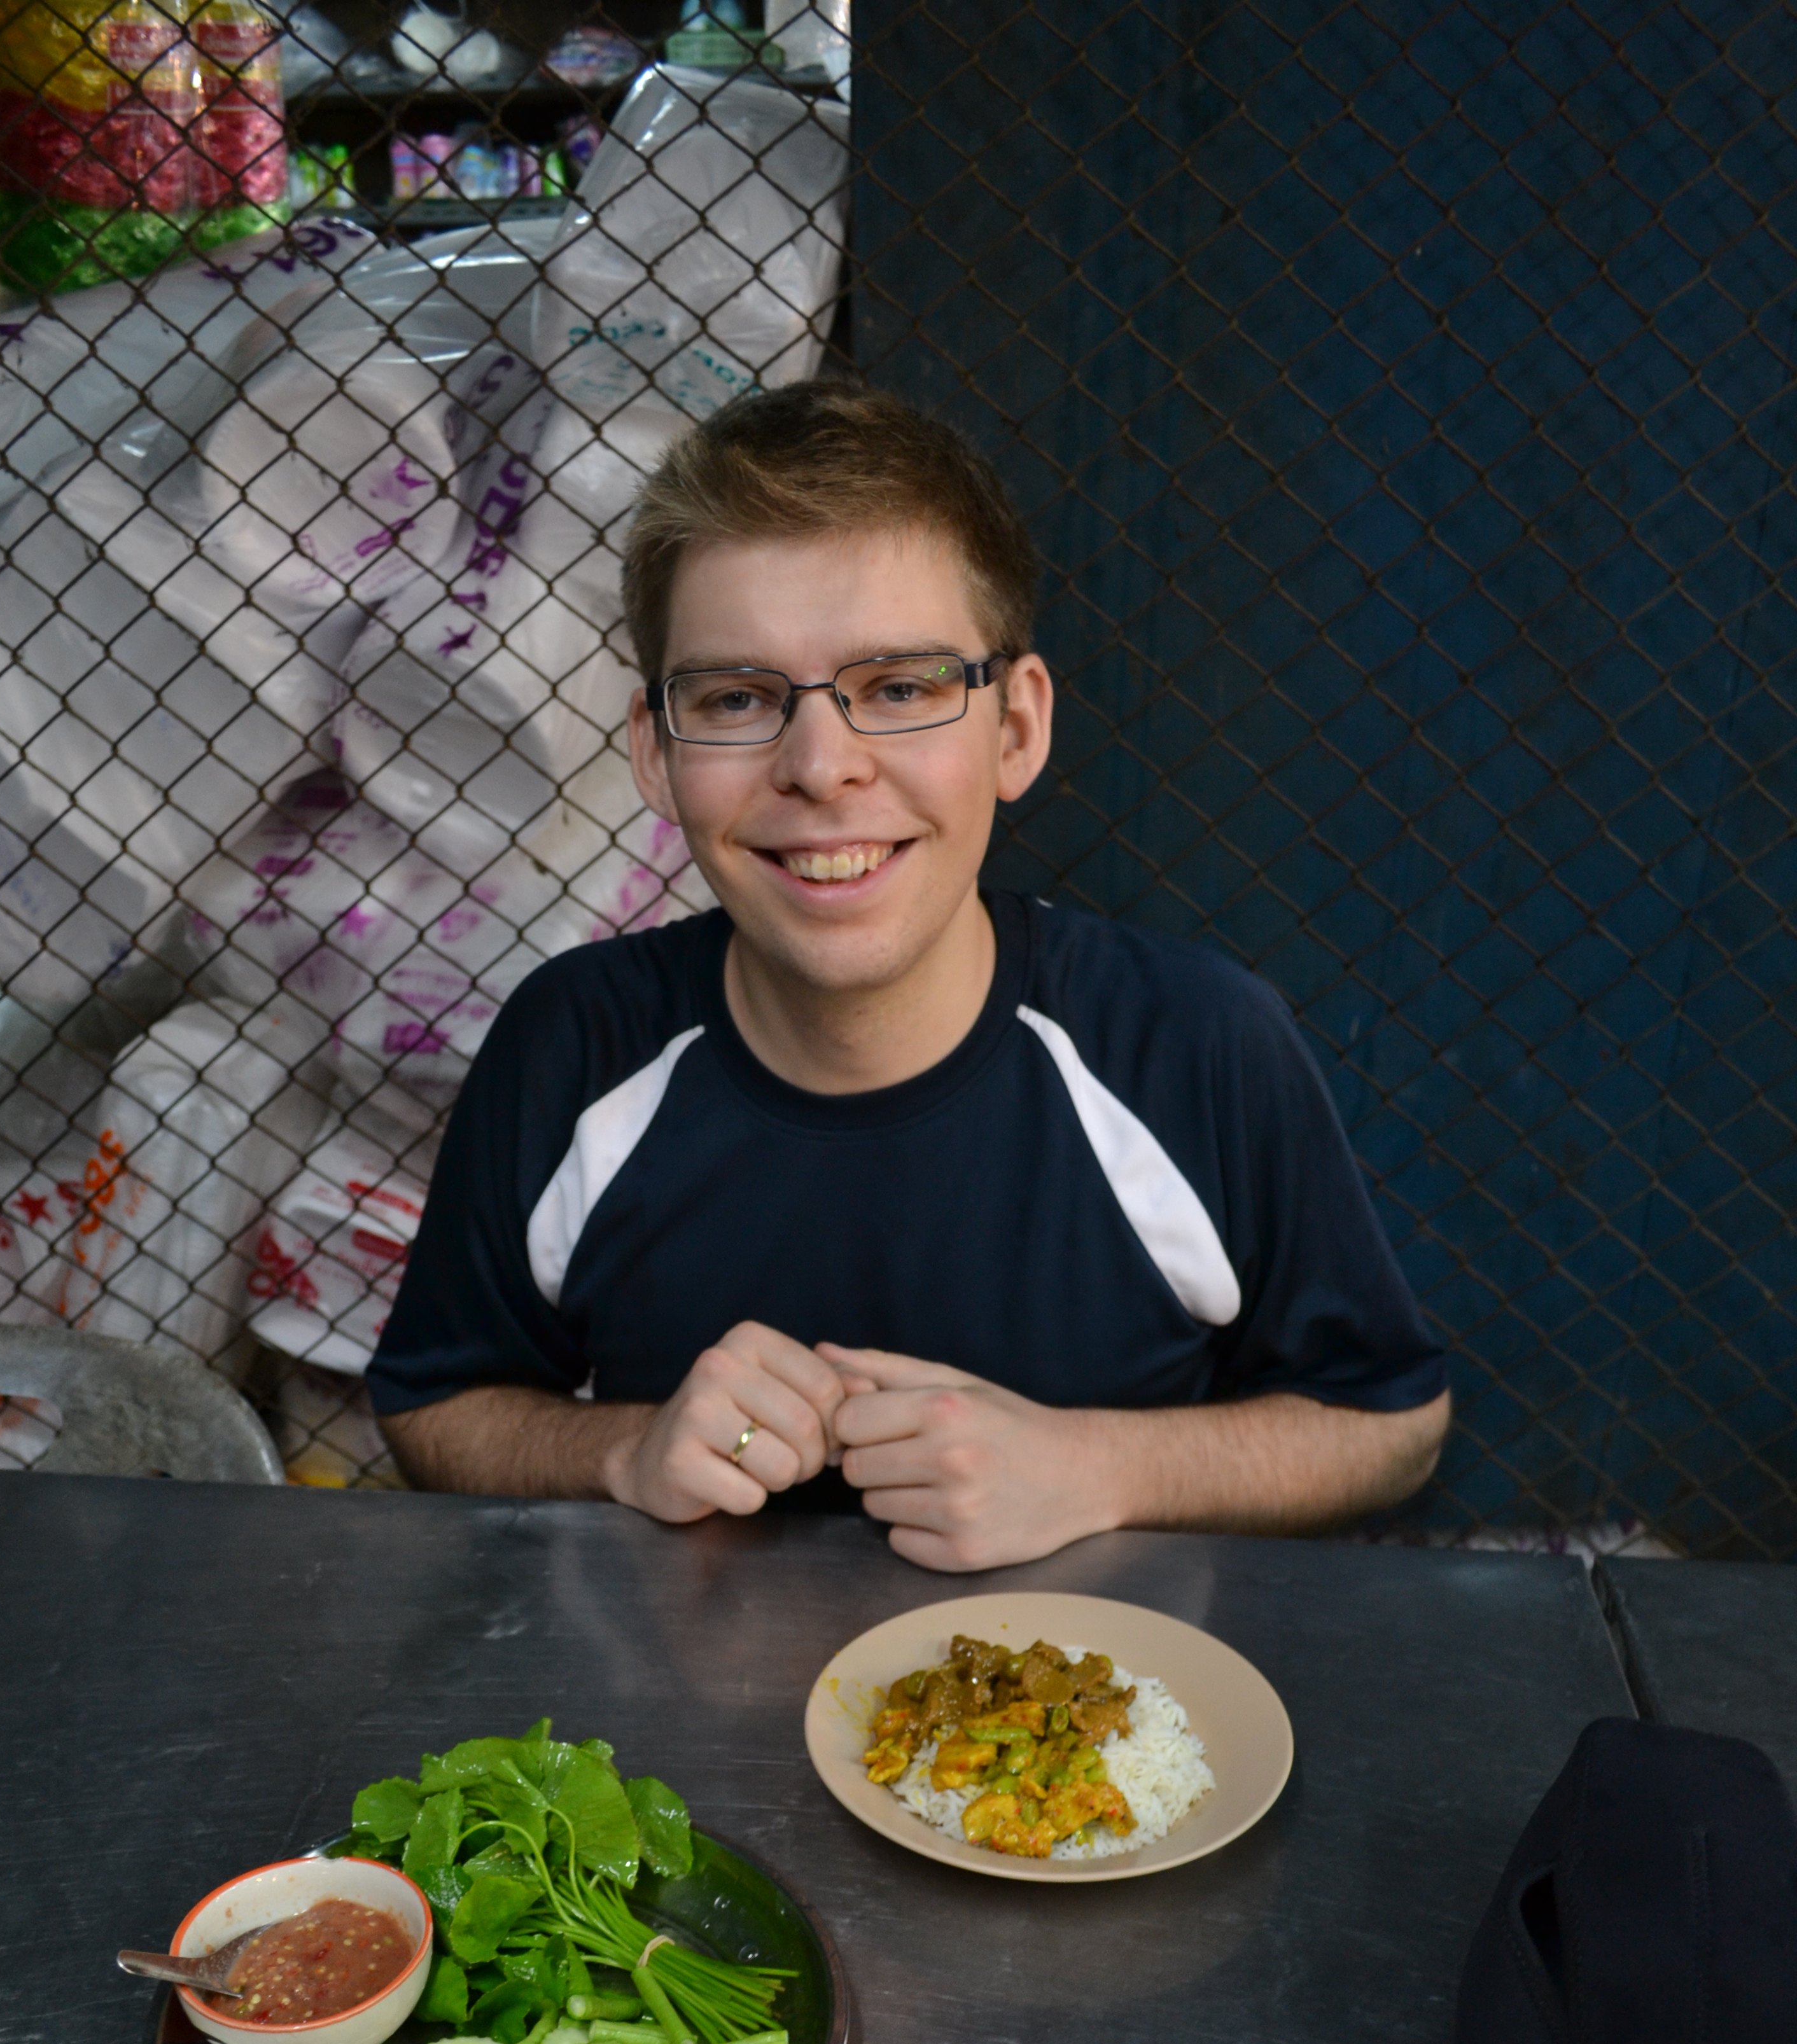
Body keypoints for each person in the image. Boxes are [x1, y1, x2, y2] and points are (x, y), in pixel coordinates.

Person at [367, 380, 1449, 1569]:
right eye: (737, 698)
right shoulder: (573, 1041)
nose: (821, 766)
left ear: (1015, 730)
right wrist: (622, 1450)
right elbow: (436, 1407)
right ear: (658, 755)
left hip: (1099, 1686)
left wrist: (1100, 1467)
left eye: (898, 689)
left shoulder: (1194, 1041)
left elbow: (1387, 1427)